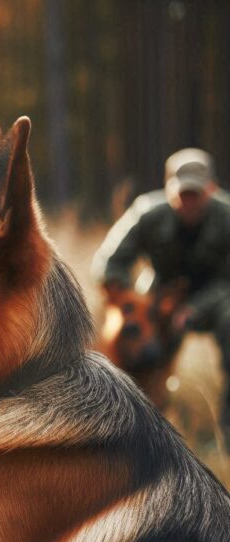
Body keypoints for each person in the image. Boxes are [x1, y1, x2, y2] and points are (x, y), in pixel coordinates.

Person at [93, 147, 230, 435]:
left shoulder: (226, 216)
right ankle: (135, 421)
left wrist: (194, 309)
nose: (188, 201)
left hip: (218, 299)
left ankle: (225, 428)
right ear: (168, 189)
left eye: (196, 193)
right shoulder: (147, 212)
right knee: (132, 341)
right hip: (159, 298)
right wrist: (132, 303)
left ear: (211, 189)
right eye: (183, 193)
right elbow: (109, 263)